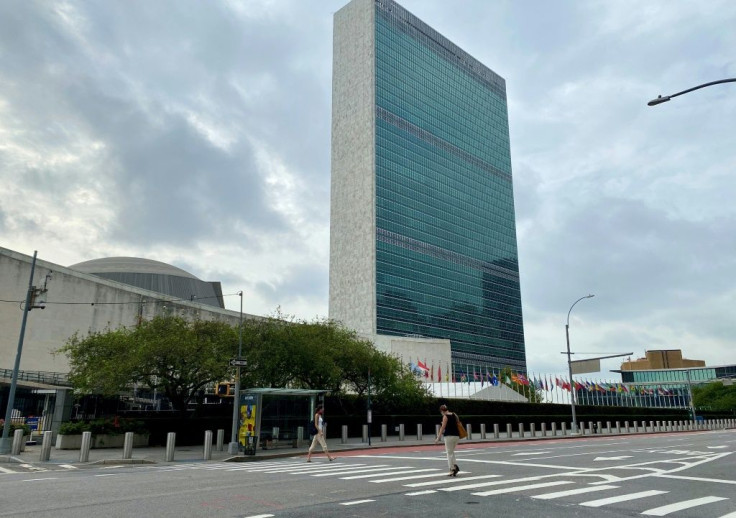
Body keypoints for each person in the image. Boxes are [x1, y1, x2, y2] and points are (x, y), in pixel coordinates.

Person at [434, 404, 460, 476]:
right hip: (456, 436)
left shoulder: (445, 416)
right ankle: (454, 465)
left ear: (442, 411)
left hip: (449, 436)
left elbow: (442, 428)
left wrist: (438, 438)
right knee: (451, 452)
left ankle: (452, 469)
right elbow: (458, 422)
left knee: (449, 453)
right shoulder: (454, 414)